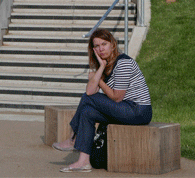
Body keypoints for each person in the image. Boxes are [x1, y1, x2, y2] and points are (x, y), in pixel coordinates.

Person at [53, 28, 152, 173]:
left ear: (112, 44)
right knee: (87, 112)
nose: (101, 49)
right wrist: (101, 68)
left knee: (88, 100)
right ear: (93, 50)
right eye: (97, 46)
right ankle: (83, 161)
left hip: (138, 110)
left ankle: (73, 137)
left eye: (104, 44)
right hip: (124, 109)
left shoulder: (123, 63)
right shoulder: (105, 66)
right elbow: (90, 91)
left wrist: (98, 81)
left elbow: (117, 97)